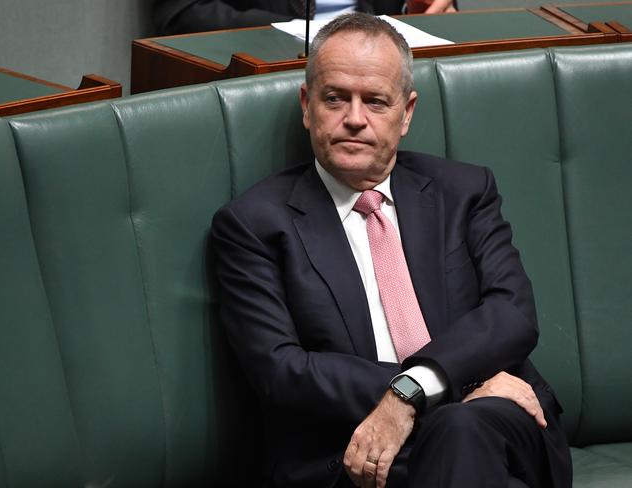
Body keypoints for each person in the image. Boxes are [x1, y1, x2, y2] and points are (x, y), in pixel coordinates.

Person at [211, 12, 571, 488]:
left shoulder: (464, 192)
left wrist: (414, 391)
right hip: (361, 447)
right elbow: (282, 370)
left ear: (407, 112)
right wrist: (448, 389)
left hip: (497, 427)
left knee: (463, 430)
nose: (354, 119)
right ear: (306, 105)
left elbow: (511, 313)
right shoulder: (254, 225)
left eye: (376, 102)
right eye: (335, 98)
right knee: (460, 438)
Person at [153, 0, 455, 35]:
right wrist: (290, 29)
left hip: (378, 46)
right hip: (274, 61)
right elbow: (181, 14)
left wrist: (413, 7)